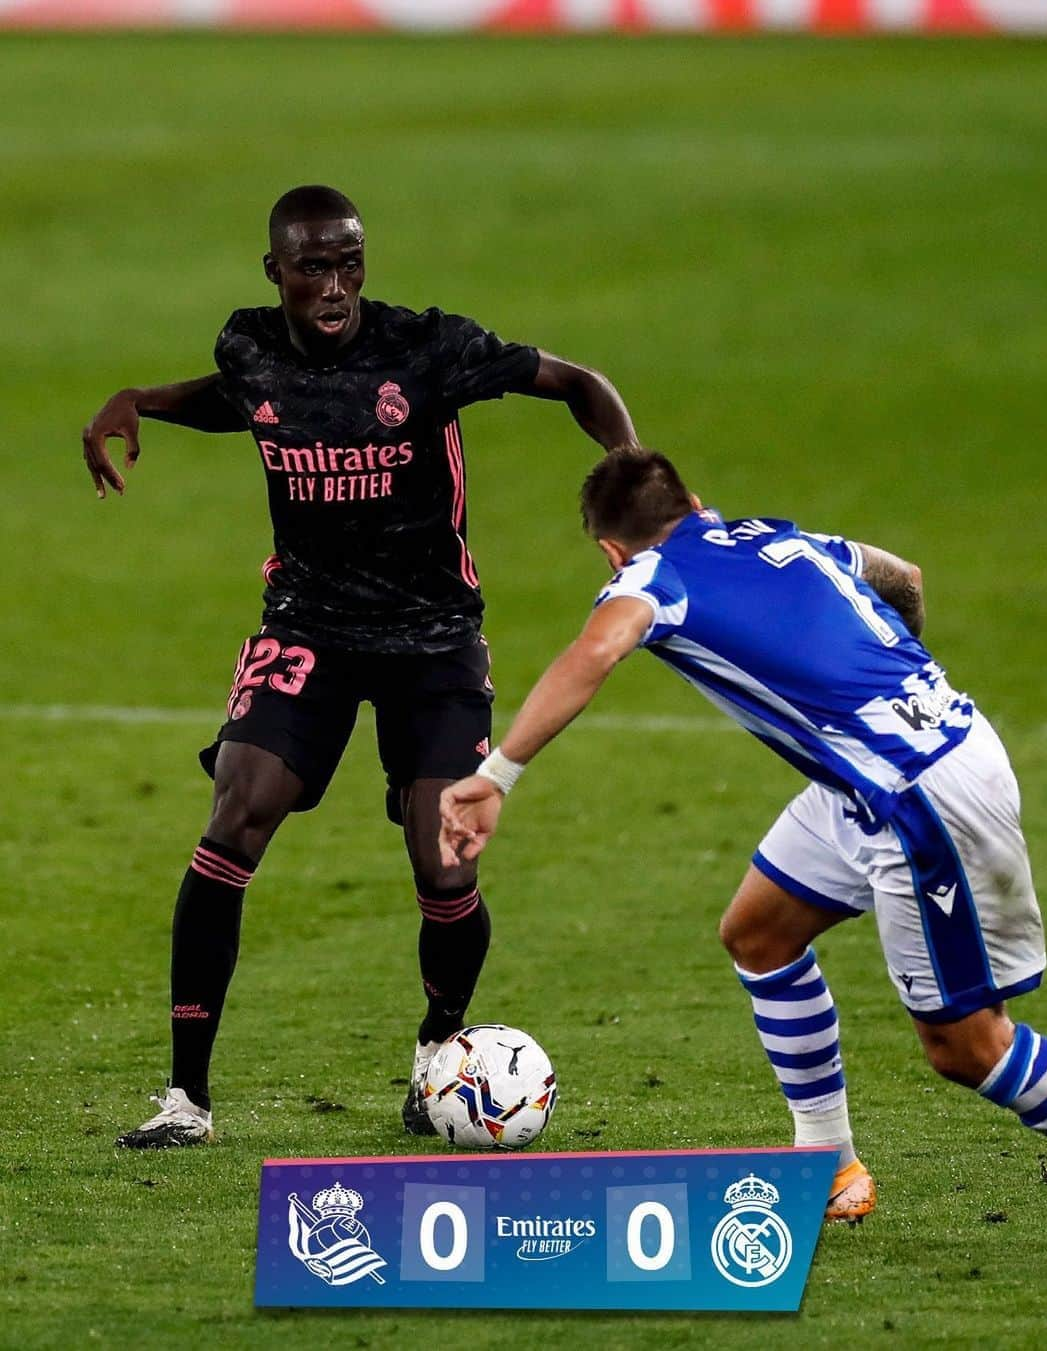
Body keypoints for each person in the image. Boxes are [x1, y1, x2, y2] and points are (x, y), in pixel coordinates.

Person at [81, 185, 638, 1149]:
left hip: (433, 636)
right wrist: (145, 403)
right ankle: (186, 1099)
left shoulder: (428, 349)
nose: (334, 284)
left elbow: (579, 382)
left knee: (444, 854)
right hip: (309, 626)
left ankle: (437, 1047)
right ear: (276, 274)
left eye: (348, 262)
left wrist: (635, 486)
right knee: (233, 815)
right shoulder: (249, 345)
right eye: (312, 266)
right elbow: (247, 401)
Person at [439, 447, 1047, 1221]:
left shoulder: (648, 578)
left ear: (611, 551)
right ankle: (829, 1167)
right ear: (694, 502)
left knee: (969, 1047)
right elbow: (905, 578)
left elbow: (597, 649)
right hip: (906, 759)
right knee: (758, 932)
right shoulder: (786, 538)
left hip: (916, 797)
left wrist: (498, 773)